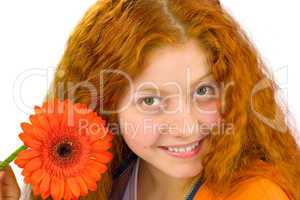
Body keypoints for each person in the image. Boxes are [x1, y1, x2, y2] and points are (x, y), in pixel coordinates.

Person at [1, 0, 299, 199]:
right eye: (151, 101)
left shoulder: (255, 193)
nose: (186, 127)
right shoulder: (115, 176)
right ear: (105, 104)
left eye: (203, 91)